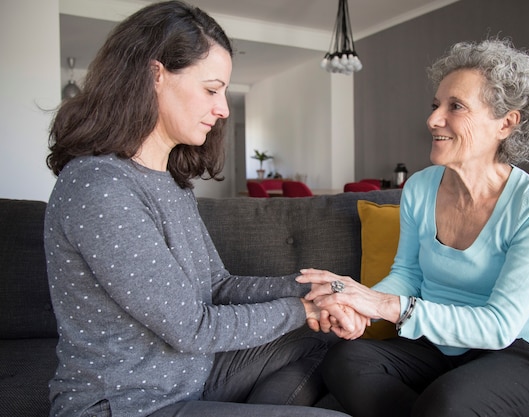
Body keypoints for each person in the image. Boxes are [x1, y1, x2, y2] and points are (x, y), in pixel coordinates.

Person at [44, 2, 354, 417]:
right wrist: (304, 309)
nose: (223, 108)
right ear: (155, 76)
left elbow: (218, 286)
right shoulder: (99, 187)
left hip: (192, 376)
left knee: (323, 339)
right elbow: (193, 326)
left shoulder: (170, 181)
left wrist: (316, 287)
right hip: (127, 404)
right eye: (212, 89)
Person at [298, 39, 529, 417]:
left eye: (455, 106)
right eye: (435, 105)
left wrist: (383, 304)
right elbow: (407, 274)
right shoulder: (421, 187)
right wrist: (357, 303)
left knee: (446, 404)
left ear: (506, 123)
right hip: (436, 345)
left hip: (518, 352)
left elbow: (499, 326)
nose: (432, 119)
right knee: (344, 360)